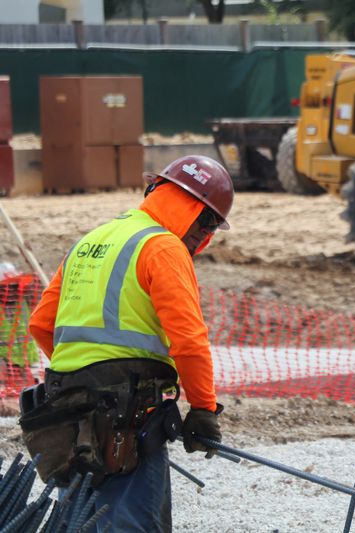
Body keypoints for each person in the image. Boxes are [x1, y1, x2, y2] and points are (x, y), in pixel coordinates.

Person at [24, 155, 233, 532]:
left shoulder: (92, 240)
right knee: (133, 521)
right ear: (197, 216)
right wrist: (203, 409)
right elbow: (188, 341)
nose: (203, 238)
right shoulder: (163, 247)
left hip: (69, 413)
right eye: (208, 226)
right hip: (128, 417)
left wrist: (84, 374)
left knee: (81, 518)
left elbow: (41, 324)